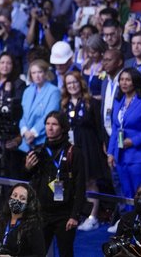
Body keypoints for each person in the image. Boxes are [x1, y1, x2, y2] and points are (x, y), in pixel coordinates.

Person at [25, 111, 86, 257]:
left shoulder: (74, 152)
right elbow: (30, 179)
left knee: (65, 253)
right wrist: (27, 168)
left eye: (54, 124)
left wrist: (74, 215)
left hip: (64, 214)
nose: (50, 128)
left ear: (63, 128)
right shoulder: (39, 151)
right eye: (47, 124)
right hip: (42, 213)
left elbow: (80, 186)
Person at [61, 71, 107, 232]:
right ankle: (79, 213)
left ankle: (93, 216)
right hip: (72, 147)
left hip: (89, 146)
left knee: (90, 181)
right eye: (69, 84)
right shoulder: (64, 104)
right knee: (75, 182)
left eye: (74, 82)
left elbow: (99, 127)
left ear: (80, 83)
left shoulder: (91, 102)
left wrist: (103, 145)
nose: (72, 86)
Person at [107, 67, 141, 200]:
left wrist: (133, 141)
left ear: (135, 82)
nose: (124, 83)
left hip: (140, 156)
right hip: (121, 156)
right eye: (121, 80)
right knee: (127, 195)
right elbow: (115, 128)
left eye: (128, 80)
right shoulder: (119, 102)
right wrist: (111, 152)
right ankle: (129, 220)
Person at [0, 183, 46, 257]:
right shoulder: (2, 217)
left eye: (22, 198)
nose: (17, 200)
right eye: (14, 195)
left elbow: (40, 255)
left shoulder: (33, 225)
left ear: (28, 204)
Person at [19, 59, 61, 153]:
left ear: (45, 73)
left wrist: (33, 133)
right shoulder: (27, 91)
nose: (37, 76)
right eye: (33, 73)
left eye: (40, 72)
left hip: (43, 141)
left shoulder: (54, 91)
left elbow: (49, 115)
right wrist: (25, 132)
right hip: (26, 142)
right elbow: (22, 115)